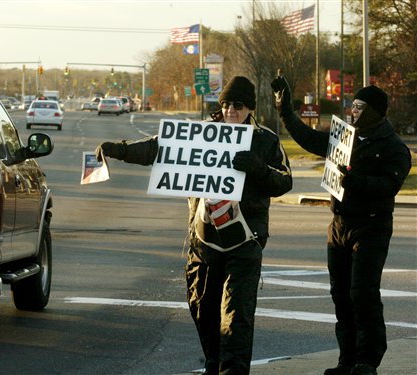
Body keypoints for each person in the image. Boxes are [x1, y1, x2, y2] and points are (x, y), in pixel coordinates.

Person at [95, 76, 292, 375]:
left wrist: (257, 168)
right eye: (225, 104)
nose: (230, 111)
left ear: (249, 108)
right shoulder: (202, 133)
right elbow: (157, 150)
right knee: (203, 311)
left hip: (245, 242)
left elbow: (284, 181)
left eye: (237, 105)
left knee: (236, 320)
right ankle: (213, 365)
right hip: (203, 242)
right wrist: (118, 150)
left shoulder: (265, 140)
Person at [271, 76, 411, 375]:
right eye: (352, 106)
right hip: (339, 224)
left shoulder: (394, 147)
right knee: (341, 293)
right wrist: (285, 111)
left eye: (359, 107)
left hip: (371, 227)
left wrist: (354, 180)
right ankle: (346, 360)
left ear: (374, 111)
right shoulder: (343, 136)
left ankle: (366, 361)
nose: (353, 112)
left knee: (363, 293)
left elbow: (390, 184)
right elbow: (309, 139)